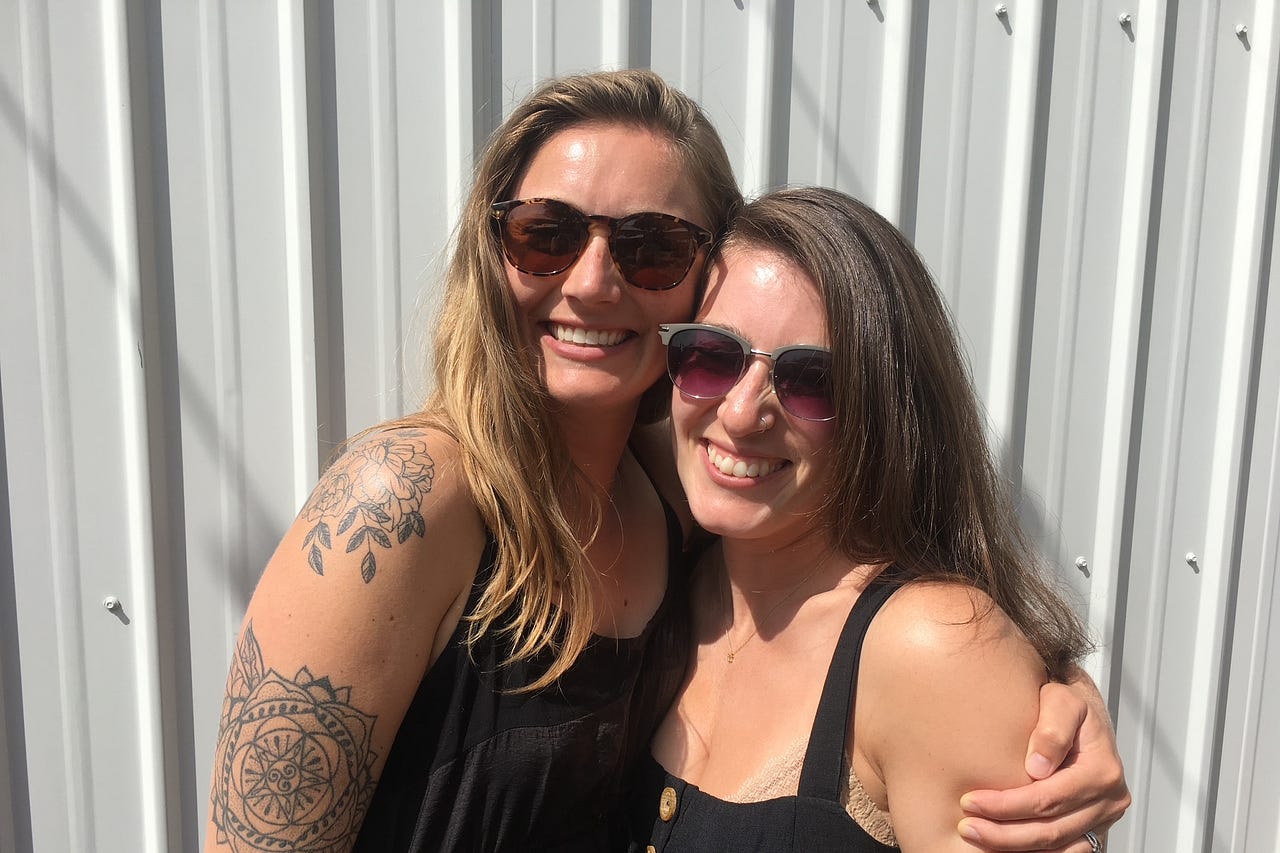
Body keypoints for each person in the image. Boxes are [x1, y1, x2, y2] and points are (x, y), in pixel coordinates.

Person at [204, 72, 1126, 853]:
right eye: (546, 234)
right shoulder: (401, 502)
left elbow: (910, 643)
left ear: (698, 277)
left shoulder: (680, 507)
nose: (591, 282)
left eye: (650, 248)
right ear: (492, 250)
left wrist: (1041, 696)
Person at [625, 186, 1126, 852]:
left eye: (812, 380)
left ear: (885, 412)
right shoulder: (664, 558)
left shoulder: (931, 647)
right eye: (711, 355)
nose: (742, 414)